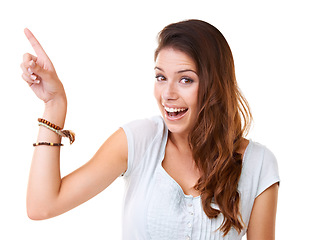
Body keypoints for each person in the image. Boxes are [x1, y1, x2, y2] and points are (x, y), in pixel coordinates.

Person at [21, 19, 279, 240]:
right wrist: (54, 105)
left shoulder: (258, 164)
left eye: (185, 79)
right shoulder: (139, 141)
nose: (168, 94)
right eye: (161, 77)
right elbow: (42, 206)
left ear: (215, 86)